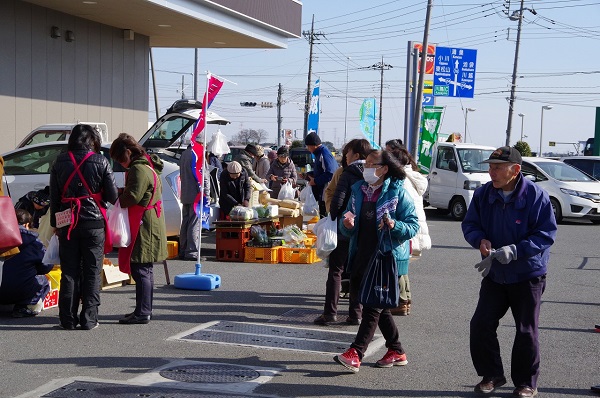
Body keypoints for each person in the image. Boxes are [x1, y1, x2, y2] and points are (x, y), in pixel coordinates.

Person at [461, 146, 557, 397]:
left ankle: (526, 382)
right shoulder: (483, 194)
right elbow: (470, 224)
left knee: (526, 330)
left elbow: (546, 234)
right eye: (490, 166)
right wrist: (479, 239)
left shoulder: (536, 196)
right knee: (481, 324)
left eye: (497, 167)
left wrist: (515, 250)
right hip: (495, 274)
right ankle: (491, 374)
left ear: (515, 170)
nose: (491, 172)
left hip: (527, 274)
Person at [334, 150, 419, 372]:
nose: (367, 169)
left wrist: (394, 225)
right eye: (366, 164)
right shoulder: (358, 191)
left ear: (384, 168)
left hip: (386, 258)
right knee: (380, 307)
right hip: (362, 254)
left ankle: (356, 352)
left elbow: (413, 226)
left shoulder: (397, 192)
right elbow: (347, 223)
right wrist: (347, 225)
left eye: (372, 164)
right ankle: (396, 350)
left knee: (373, 307)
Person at [49, 124, 118, 330]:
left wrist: (55, 225)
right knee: (92, 271)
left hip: (67, 221)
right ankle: (89, 319)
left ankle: (67, 319)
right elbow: (113, 196)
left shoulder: (59, 161)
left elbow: (54, 198)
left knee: (68, 272)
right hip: (94, 223)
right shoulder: (101, 161)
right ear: (92, 141)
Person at [109, 133, 168, 325]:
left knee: (141, 268)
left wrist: (118, 195)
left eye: (120, 159)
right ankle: (144, 309)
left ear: (127, 152)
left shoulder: (139, 169)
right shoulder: (149, 165)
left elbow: (132, 197)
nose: (120, 163)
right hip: (150, 220)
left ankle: (142, 312)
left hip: (143, 222)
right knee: (145, 269)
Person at [314, 138, 371, 327]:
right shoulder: (376, 173)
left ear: (355, 154)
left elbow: (336, 201)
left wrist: (337, 215)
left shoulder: (347, 173)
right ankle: (356, 314)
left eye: (347, 152)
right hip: (366, 229)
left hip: (345, 226)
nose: (345, 156)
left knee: (336, 270)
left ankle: (330, 313)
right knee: (358, 271)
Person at [389, 147, 431, 316]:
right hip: (415, 228)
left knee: (398, 263)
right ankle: (405, 300)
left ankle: (401, 301)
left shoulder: (402, 180)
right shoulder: (414, 177)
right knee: (402, 264)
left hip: (404, 226)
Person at [0, 209, 53, 317]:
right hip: (20, 291)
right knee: (43, 281)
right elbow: (46, 266)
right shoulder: (34, 243)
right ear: (26, 224)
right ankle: (24, 307)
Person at [178, 142, 211, 261]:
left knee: (186, 222)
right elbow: (204, 178)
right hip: (196, 195)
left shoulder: (184, 154)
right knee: (194, 223)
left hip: (185, 193)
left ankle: (183, 249)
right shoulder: (198, 155)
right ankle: (192, 252)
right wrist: (206, 195)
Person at [304, 132, 338, 217]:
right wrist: (308, 175)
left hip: (327, 191)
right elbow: (320, 171)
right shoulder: (319, 154)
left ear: (313, 145)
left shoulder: (324, 154)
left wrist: (315, 181)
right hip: (323, 191)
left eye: (308, 146)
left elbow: (330, 173)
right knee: (322, 215)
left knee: (325, 215)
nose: (308, 149)